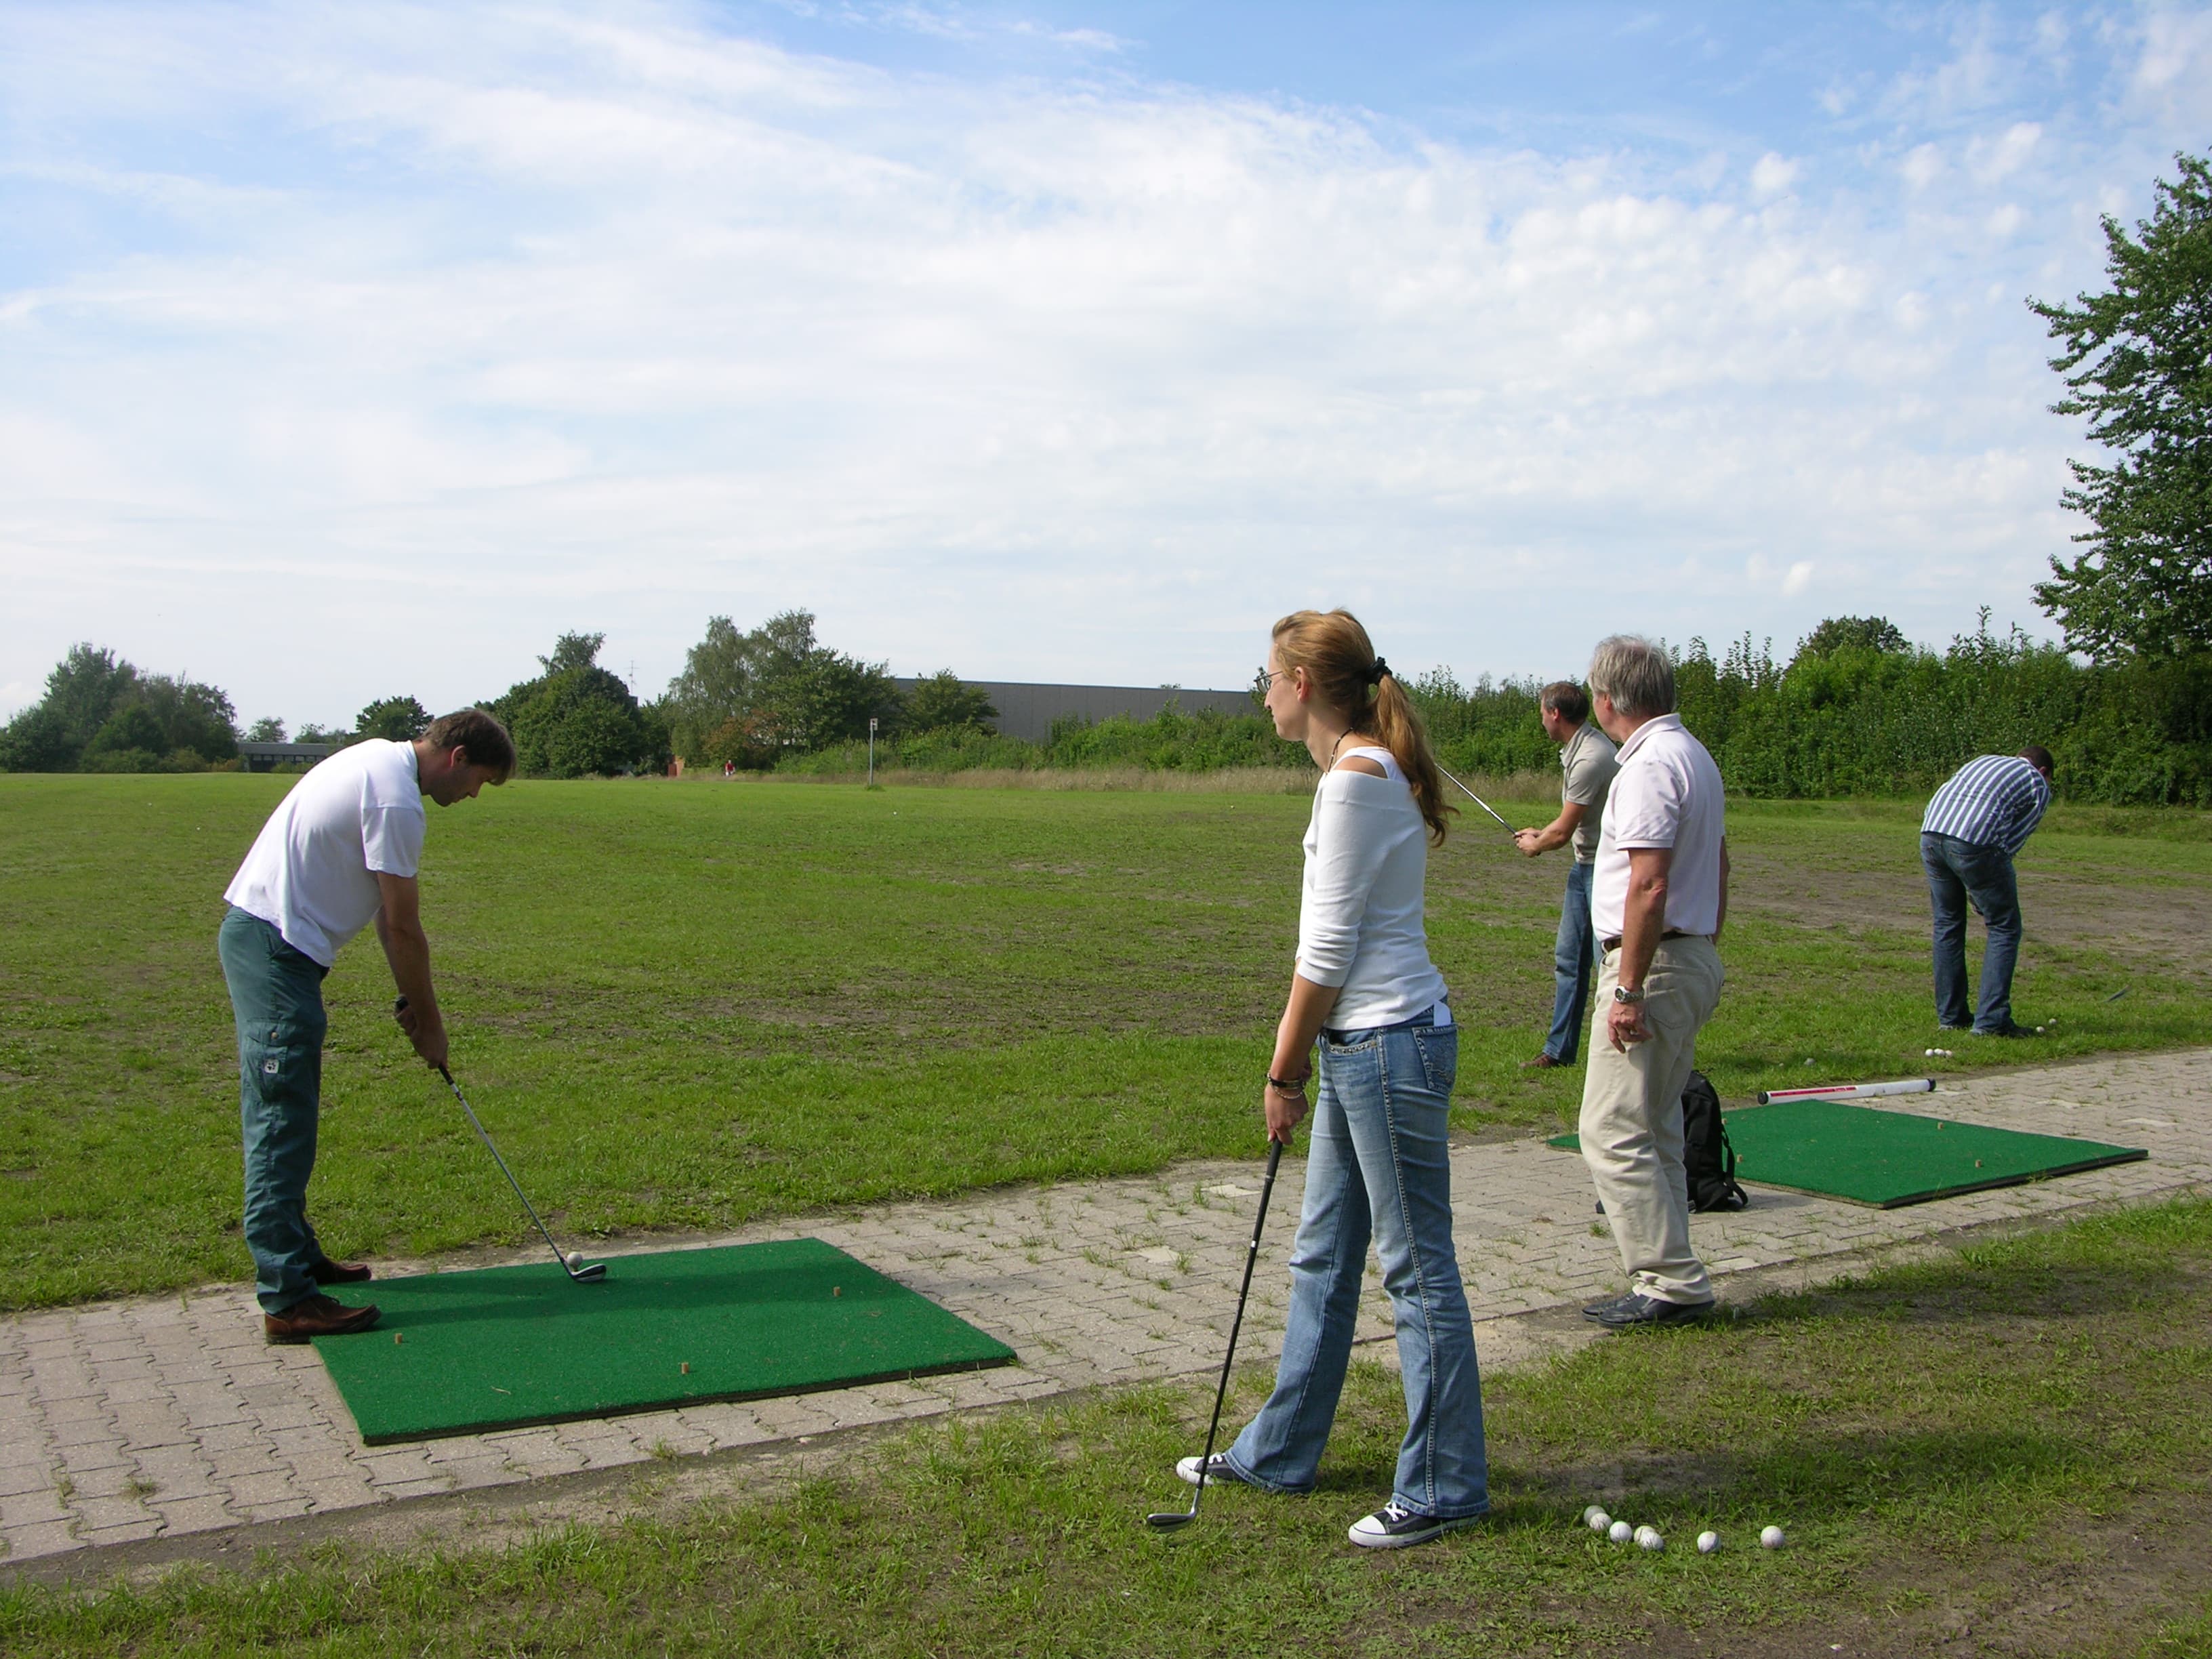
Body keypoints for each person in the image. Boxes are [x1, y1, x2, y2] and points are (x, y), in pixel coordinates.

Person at [1174, 608, 1488, 1549]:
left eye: (1269, 674)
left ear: (1303, 684)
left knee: (1415, 1271)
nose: (1263, 691)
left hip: (1388, 1046)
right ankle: (1280, 1452)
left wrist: (1281, 1069)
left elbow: (1326, 954)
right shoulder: (1357, 774)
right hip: (1371, 1048)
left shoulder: (1354, 783)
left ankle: (1443, 1486)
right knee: (1322, 1255)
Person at [218, 708, 516, 1344]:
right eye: (479, 782)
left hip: (270, 942)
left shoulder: (380, 760)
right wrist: (432, 1025)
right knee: (280, 1121)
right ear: (457, 759)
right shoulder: (398, 800)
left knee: (289, 1111)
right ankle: (288, 1297)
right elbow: (404, 926)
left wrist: (410, 997)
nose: (471, 797)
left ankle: (299, 1257)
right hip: (273, 949)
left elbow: (387, 918)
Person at [1577, 636, 1729, 1330]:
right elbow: (1720, 863)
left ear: (1608, 701)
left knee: (1610, 1128)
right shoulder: (1693, 754)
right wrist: (1703, 939)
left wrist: (1631, 988)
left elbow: (1649, 880)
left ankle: (1669, 1281)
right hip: (1687, 953)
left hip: (1654, 962)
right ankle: (1676, 1273)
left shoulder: (1646, 766)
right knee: (1658, 1125)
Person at [1513, 682, 1618, 1070]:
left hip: (1605, 870)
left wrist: (1537, 844)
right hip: (1586, 866)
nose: (1541, 719)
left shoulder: (1590, 758)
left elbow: (1562, 832)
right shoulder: (1582, 749)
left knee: (1609, 965)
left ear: (1555, 713)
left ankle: (1613, 1055)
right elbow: (1569, 823)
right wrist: (1540, 833)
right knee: (1569, 960)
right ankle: (1560, 1052)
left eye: (1542, 712)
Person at [1920, 747, 2054, 1038]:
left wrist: (1976, 888)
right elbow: (2011, 842)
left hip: (1931, 834)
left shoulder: (1984, 761)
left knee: (1948, 925)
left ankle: (1952, 1016)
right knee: (2004, 927)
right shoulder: (2037, 782)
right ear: (2044, 772)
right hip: (1974, 842)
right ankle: (1992, 1021)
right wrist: (1983, 890)